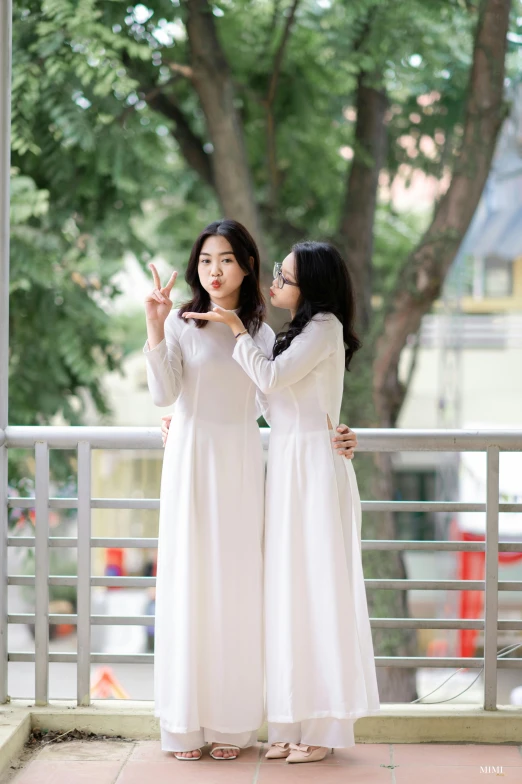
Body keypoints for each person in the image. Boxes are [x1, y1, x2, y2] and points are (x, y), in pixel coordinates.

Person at [145, 221, 357, 762]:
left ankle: (233, 726)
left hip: (242, 462)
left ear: (247, 267)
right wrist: (155, 325)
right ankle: (183, 725)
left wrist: (338, 429)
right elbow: (164, 394)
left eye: (226, 261)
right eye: (205, 261)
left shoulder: (261, 332)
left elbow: (280, 399)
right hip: (191, 459)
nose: (214, 271)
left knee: (238, 592)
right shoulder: (183, 324)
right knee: (187, 586)